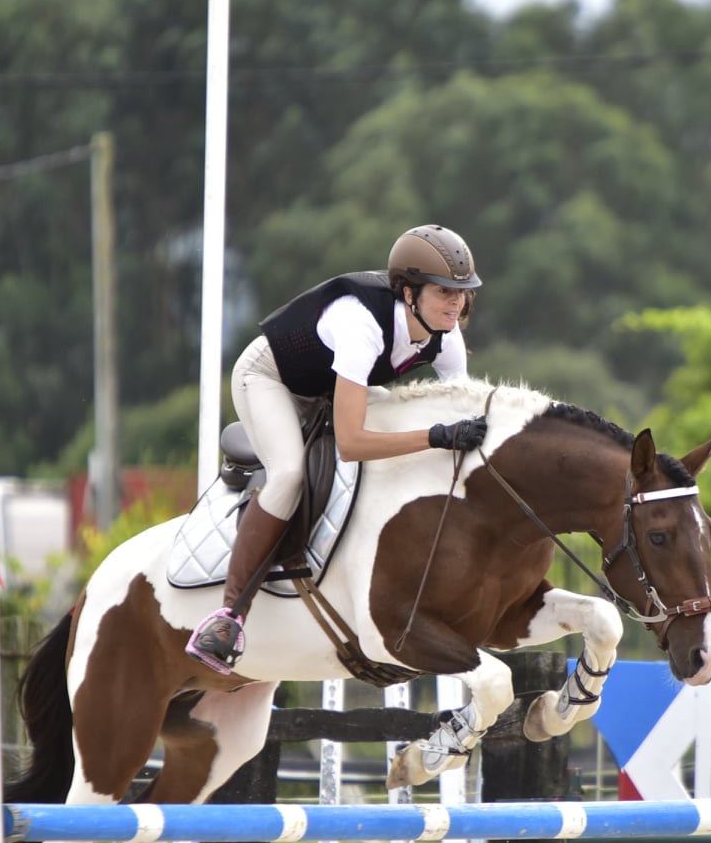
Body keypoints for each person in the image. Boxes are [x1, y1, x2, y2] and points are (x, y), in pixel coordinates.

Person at [186, 224, 490, 673]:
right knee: (289, 474)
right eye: (444, 291)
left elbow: (464, 410)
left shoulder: (445, 335)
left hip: (332, 388)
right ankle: (228, 616)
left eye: (462, 293)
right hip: (269, 379)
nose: (456, 303)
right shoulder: (361, 321)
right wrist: (435, 436)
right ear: (409, 293)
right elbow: (351, 443)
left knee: (414, 424)